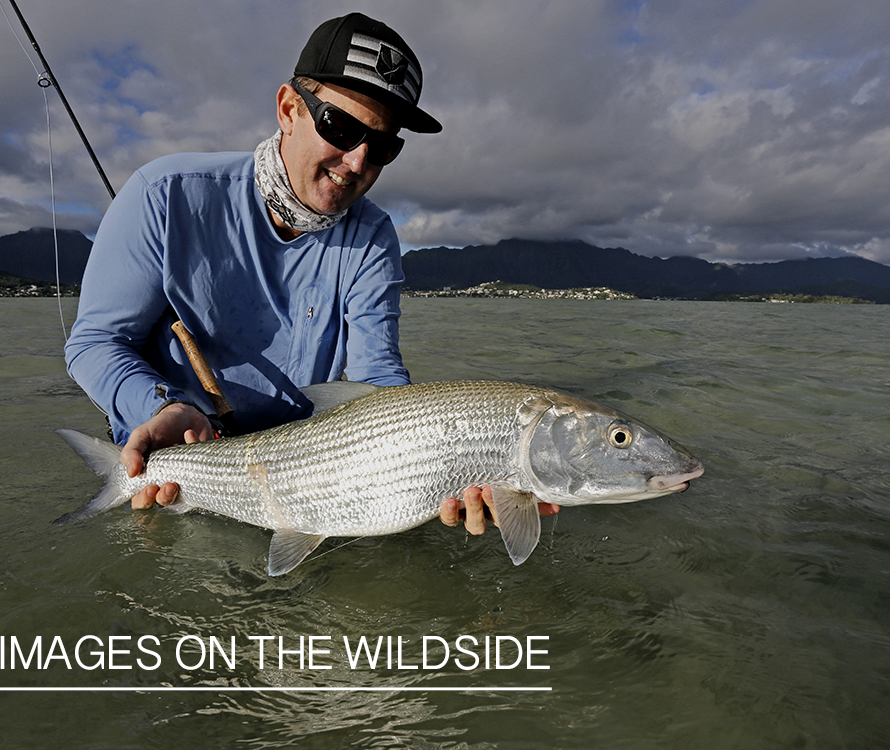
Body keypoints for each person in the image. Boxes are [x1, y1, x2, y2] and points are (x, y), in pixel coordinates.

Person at [65, 12, 558, 536]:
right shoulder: (163, 194)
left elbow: (378, 380)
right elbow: (95, 343)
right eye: (340, 127)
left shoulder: (373, 238)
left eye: (384, 146)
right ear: (288, 108)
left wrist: (443, 464)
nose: (357, 161)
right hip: (172, 461)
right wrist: (162, 407)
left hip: (313, 475)